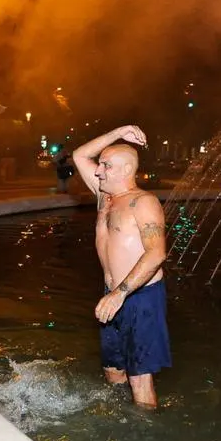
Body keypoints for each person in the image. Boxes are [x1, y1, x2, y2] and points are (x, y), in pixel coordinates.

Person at [72, 125, 170, 408]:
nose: (99, 170)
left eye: (106, 165)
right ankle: (118, 421)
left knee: (140, 378)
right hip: (112, 294)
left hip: (140, 297)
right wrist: (120, 132)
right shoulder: (105, 197)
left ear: (126, 170)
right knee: (113, 370)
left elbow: (156, 254)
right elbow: (79, 155)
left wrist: (121, 293)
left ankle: (146, 440)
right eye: (100, 164)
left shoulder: (143, 202)